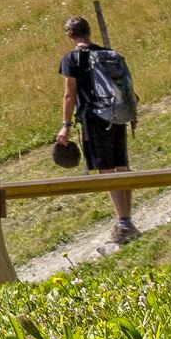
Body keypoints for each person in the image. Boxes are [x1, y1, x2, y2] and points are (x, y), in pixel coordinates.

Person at [56, 15, 135, 243]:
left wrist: (65, 125)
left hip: (93, 118)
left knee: (106, 169)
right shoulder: (107, 54)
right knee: (122, 165)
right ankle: (126, 219)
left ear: (70, 35)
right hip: (116, 113)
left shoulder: (71, 59)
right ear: (89, 31)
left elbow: (69, 95)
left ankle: (123, 222)